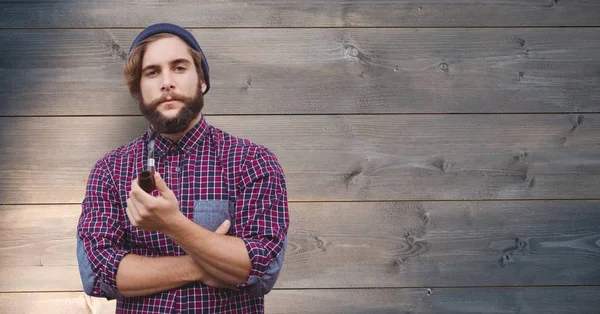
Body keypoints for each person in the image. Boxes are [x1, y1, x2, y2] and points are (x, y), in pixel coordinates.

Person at [76, 23, 289, 313]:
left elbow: (260, 268)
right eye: (152, 72)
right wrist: (205, 264)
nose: (167, 82)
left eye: (179, 68)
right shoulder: (110, 171)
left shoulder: (252, 162)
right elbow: (101, 274)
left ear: (201, 80)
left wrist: (171, 223)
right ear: (138, 89)